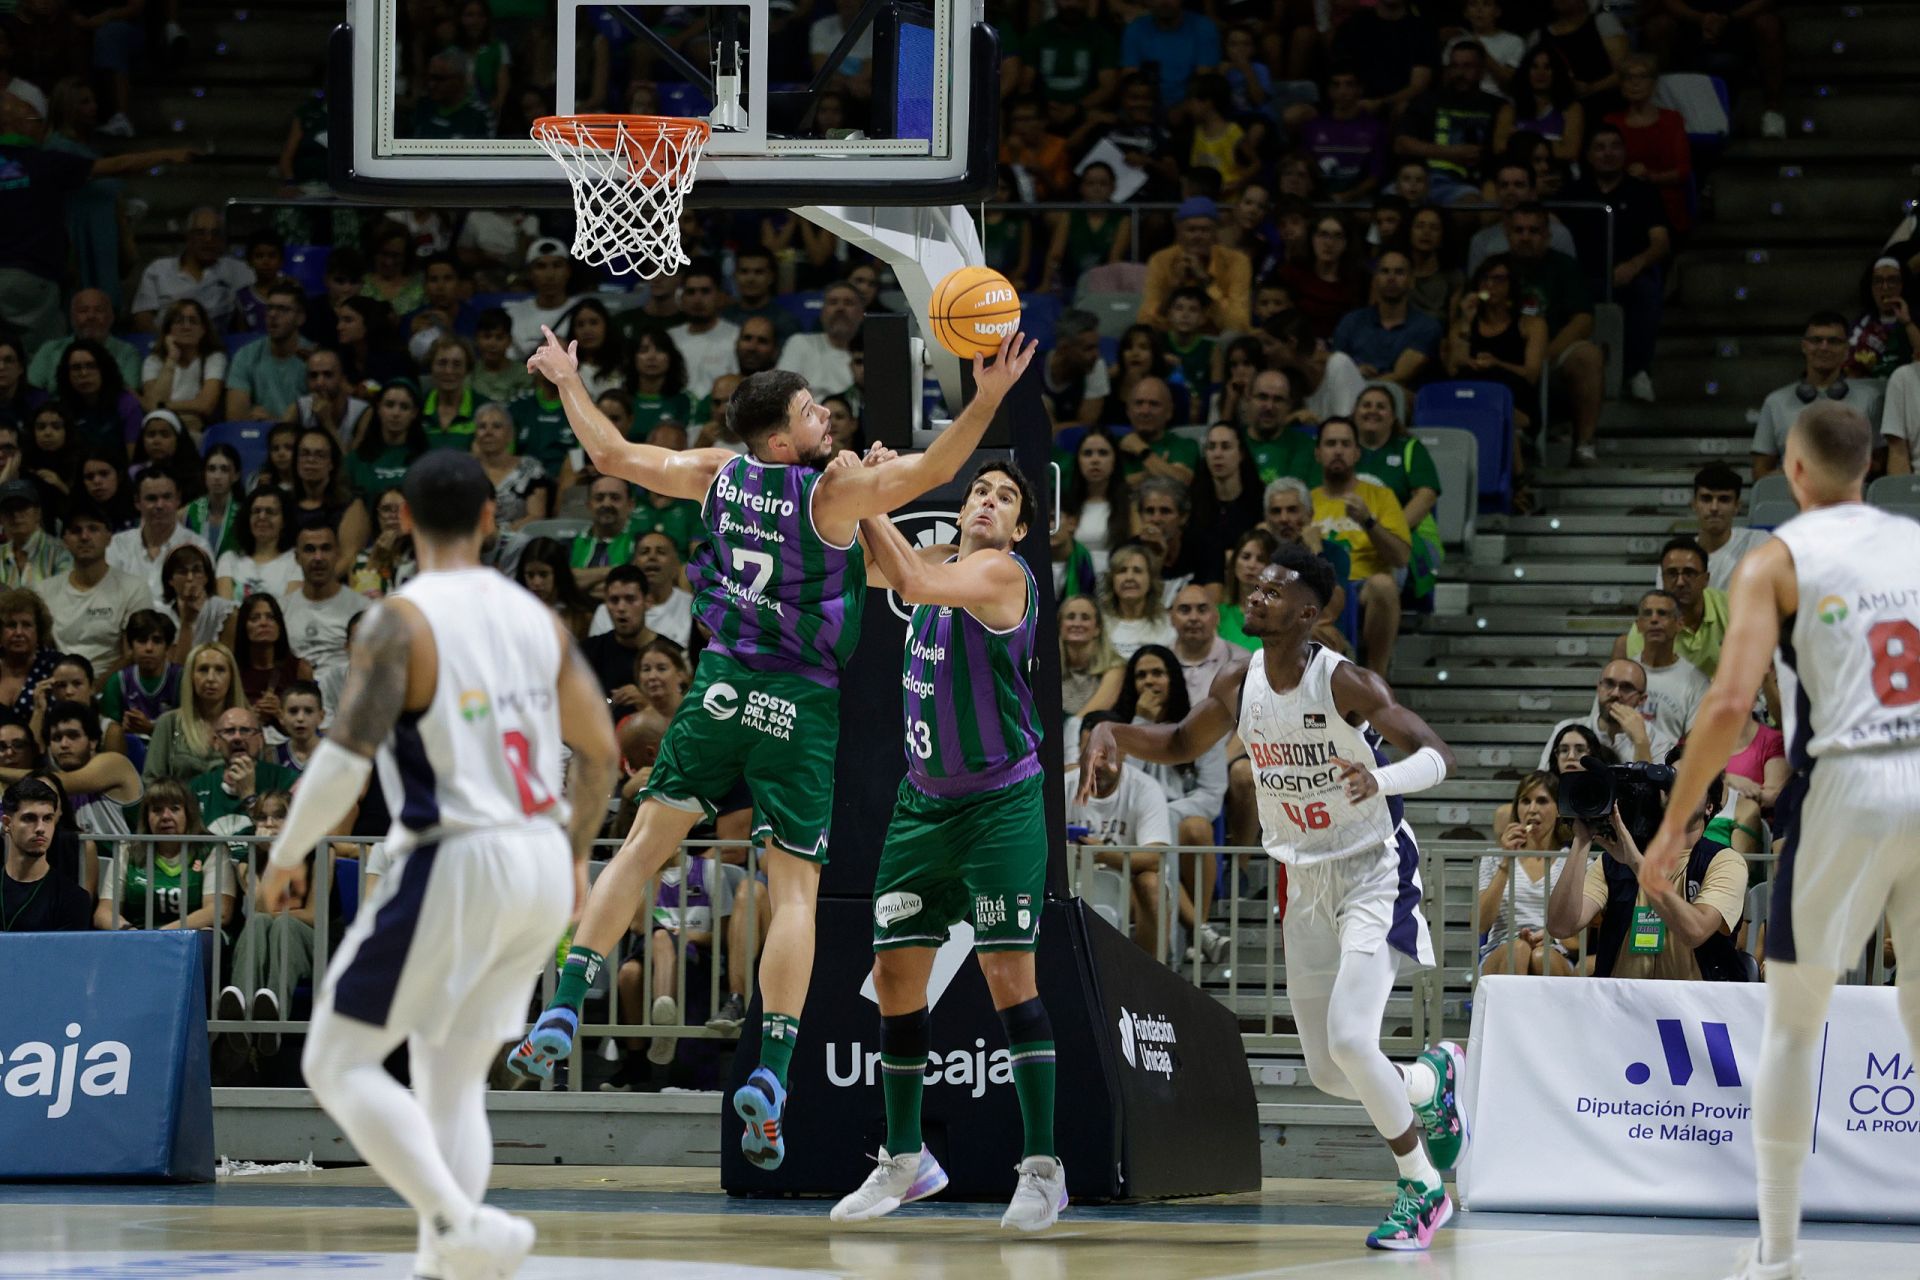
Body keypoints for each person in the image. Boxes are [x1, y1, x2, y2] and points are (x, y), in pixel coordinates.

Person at [508, 326, 1037, 1177]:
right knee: (793, 894)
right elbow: (939, 472)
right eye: (809, 409)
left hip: (719, 687)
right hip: (800, 703)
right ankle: (772, 1071)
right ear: (784, 439)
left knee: (643, 847)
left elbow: (608, 453)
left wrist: (568, 378)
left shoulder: (716, 472)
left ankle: (568, 999)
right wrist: (987, 394)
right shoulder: (833, 495)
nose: (825, 412)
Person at [256, 451, 618, 1280]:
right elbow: (599, 753)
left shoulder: (400, 621)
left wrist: (285, 854)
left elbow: (345, 762)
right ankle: (447, 1262)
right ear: (493, 521)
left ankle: (460, 1222)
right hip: (537, 854)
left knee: (334, 1060)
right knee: (449, 1080)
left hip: (458, 852)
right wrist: (570, 857)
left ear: (404, 523)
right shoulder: (540, 620)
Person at [1079, 541, 1466, 1252]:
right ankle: (1426, 1081)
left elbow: (1438, 754)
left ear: (1309, 613)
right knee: (1325, 1070)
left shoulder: (1344, 681)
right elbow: (1173, 743)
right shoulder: (1237, 680)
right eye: (1253, 586)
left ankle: (1421, 1186)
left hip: (1372, 870)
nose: (1255, 595)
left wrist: (1382, 780)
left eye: (1273, 590)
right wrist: (1111, 729)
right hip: (1302, 875)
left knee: (1352, 1038)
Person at [1636, 401, 1920, 1280]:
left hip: (1847, 783)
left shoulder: (1776, 558)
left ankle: (1781, 1253)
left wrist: (1675, 827)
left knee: (1795, 1026)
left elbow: (1726, 708)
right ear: (1872, 466)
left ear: (1790, 474)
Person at [832, 459, 1067, 1230]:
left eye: (1004, 497)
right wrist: (851, 500)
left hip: (1000, 803)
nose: (987, 502)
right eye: (978, 492)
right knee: (896, 978)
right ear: (961, 510)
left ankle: (1042, 1169)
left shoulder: (1003, 574)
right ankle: (905, 1159)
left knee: (1008, 975)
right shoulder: (937, 562)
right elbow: (866, 561)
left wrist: (870, 497)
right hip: (921, 805)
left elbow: (907, 580)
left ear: (1020, 526)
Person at [1750, 312, 1885, 480]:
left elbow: (1880, 464)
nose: (1824, 347)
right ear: (1804, 346)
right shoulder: (1776, 402)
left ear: (1846, 350)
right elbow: (1759, 473)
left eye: (1834, 341)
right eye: (1816, 340)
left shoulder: (1869, 399)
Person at [95, 777, 233, 931]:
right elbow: (104, 913)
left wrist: (163, 935)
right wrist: (129, 932)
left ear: (189, 813)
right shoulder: (127, 850)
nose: (165, 816)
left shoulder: (211, 849)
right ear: (146, 817)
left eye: (174, 809)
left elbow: (219, 912)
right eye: (157, 810)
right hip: (139, 939)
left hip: (191, 938)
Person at [1480, 771, 1576, 977]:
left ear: (1559, 809)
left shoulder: (1575, 861)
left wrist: (1549, 937)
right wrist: (1507, 861)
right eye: (1525, 801)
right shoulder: (1494, 858)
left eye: (1542, 801)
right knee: (1518, 950)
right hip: (1500, 948)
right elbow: (1479, 924)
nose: (1532, 810)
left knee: (1542, 957)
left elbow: (1579, 939)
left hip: (1555, 950)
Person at [36, 502, 154, 667]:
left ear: (109, 537)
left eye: (93, 529)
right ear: (65, 540)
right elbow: (42, 649)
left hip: (114, 686)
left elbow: (133, 654)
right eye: (76, 530)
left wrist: (93, 689)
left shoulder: (134, 588)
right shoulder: (44, 591)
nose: (84, 537)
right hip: (59, 682)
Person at [1614, 537, 1728, 679]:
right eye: (1672, 574)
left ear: (1706, 579)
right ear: (1662, 579)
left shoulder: (1731, 608)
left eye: (1689, 573)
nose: (1680, 582)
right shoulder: (1648, 630)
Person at [1137, 197, 1253, 335]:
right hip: (1173, 338)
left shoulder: (1237, 261)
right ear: (1179, 232)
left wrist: (1207, 283)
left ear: (1215, 233)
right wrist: (1174, 290)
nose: (1198, 236)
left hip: (1216, 340)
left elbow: (1238, 324)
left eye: (1205, 230)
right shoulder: (1161, 260)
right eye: (1191, 230)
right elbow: (1145, 321)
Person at [1330, 253, 1443, 389]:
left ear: (1411, 281)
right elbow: (1333, 369)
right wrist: (1355, 371)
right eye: (1384, 271)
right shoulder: (1351, 322)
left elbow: (1400, 376)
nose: (1391, 278)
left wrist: (1355, 379)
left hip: (1404, 402)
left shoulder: (1427, 327)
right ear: (1375, 280)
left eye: (1399, 272)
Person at [1540, 657, 1675, 767]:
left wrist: (1641, 743)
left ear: (1642, 699)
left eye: (1626, 688)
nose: (1615, 693)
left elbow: (1654, 798)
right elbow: (1545, 783)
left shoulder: (1658, 741)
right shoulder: (1566, 731)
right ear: (1598, 688)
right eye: (1609, 684)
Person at [143, 641, 248, 783]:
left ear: (231, 678)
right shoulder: (169, 722)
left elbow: (260, 779)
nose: (211, 678)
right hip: (179, 803)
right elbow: (151, 781)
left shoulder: (248, 726)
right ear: (191, 677)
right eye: (203, 670)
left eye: (220, 670)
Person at [280, 525, 371, 687]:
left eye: (326, 548)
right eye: (309, 549)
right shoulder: (281, 609)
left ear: (338, 554)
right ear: (296, 557)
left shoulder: (364, 609)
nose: (318, 557)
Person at [0, 777, 91, 931]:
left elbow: (66, 954)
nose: (40, 828)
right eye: (29, 818)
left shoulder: (73, 897)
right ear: (8, 824)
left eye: (47, 818)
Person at [224, 279, 311, 421]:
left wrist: (273, 422)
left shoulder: (314, 358)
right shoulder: (246, 356)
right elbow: (235, 417)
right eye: (270, 308)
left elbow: (319, 418)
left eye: (283, 309)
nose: (273, 315)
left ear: (300, 318)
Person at [216, 487, 299, 602]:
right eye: (256, 511)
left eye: (270, 512)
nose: (262, 517)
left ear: (284, 521)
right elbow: (225, 611)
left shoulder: (296, 561)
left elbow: (290, 610)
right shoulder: (229, 559)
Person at [0, 478, 72, 588]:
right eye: (8, 509)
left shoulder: (62, 553)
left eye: (22, 507)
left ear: (38, 512)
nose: (15, 514)